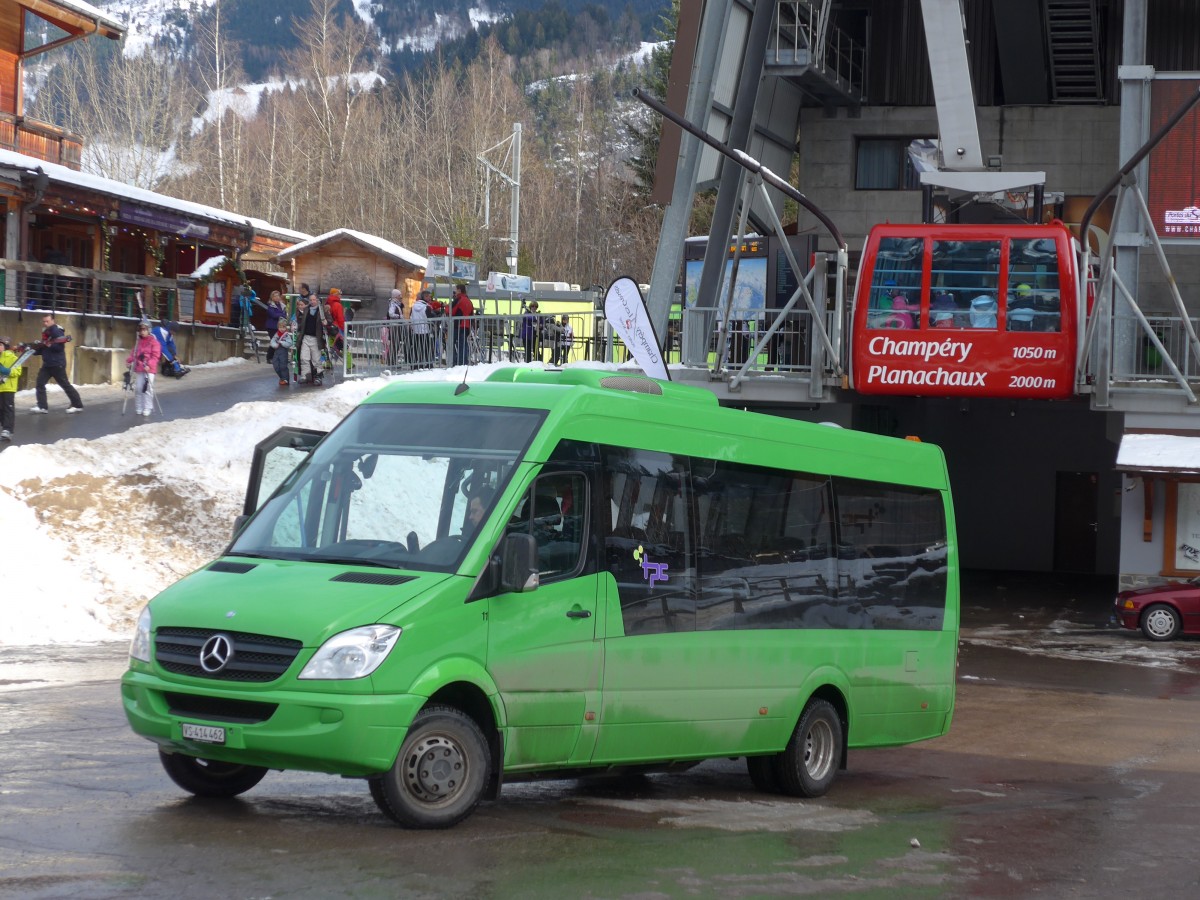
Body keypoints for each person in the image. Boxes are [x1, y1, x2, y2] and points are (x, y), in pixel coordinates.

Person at [31, 312, 83, 413]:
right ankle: (42, 407)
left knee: (65, 385)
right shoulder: (47, 332)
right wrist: (34, 351)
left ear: (53, 321)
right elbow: (44, 349)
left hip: (57, 364)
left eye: (47, 321)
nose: (45, 323)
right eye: (44, 321)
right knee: (40, 383)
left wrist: (47, 344)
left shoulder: (56, 331)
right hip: (48, 364)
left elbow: (59, 347)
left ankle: (77, 405)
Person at [125, 320, 162, 418]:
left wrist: (149, 365)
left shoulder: (154, 342)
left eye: (144, 329)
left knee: (148, 388)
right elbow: (134, 354)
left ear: (149, 330)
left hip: (149, 369)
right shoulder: (139, 342)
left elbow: (156, 356)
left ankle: (147, 407)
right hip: (140, 368)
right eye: (141, 330)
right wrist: (129, 361)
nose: (142, 332)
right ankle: (139, 406)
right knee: (138, 388)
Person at [296, 290, 329, 384]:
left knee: (316, 359)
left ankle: (318, 376)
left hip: (316, 337)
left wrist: (327, 322)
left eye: (314, 299)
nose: (312, 301)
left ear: (317, 300)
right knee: (304, 357)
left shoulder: (322, 310)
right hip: (305, 336)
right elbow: (300, 321)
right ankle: (305, 375)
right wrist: (296, 326)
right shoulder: (306, 309)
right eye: (311, 299)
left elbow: (329, 320)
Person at [0, 335, 23, 441]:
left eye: (0, 345)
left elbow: (17, 372)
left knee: (8, 409)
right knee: (1, 409)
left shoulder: (13, 358)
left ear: (6, 346)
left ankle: (8, 430)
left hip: (8, 388)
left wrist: (6, 370)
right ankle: (4, 427)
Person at [450, 284, 474, 366]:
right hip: (467, 326)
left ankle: (455, 361)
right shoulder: (469, 300)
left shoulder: (458, 299)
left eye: (456, 290)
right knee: (463, 344)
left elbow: (450, 311)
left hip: (458, 325)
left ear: (459, 290)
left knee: (451, 343)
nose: (455, 292)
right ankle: (464, 361)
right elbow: (471, 314)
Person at [269, 319, 295, 386]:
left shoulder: (286, 335)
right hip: (277, 352)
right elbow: (272, 341)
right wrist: (275, 345)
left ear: (286, 328)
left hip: (283, 352)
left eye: (283, 327)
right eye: (280, 327)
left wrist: (282, 342)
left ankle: (285, 379)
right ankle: (282, 378)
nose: (282, 329)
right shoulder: (276, 334)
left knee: (283, 366)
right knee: (276, 365)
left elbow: (289, 343)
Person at [409, 290, 431, 368]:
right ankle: (428, 364)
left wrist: (412, 327)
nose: (430, 298)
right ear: (424, 297)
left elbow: (411, 317)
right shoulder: (427, 307)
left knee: (416, 348)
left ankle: (415, 364)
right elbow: (430, 318)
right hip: (425, 330)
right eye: (428, 296)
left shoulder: (413, 306)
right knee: (427, 348)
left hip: (416, 330)